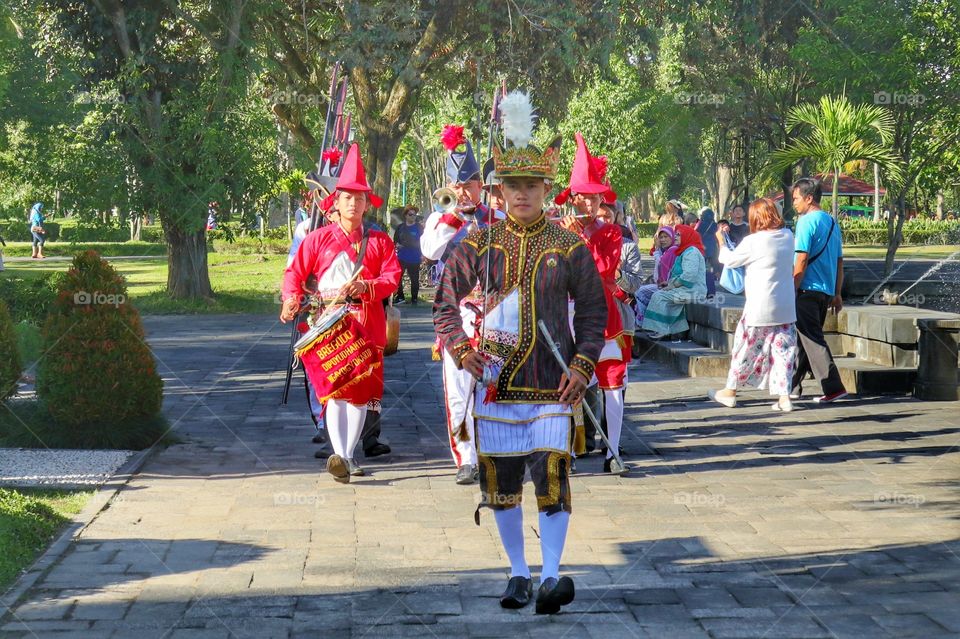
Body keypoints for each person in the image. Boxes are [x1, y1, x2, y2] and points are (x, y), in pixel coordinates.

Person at [434, 92, 606, 612]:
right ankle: (517, 572)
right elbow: (442, 304)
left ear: (547, 189)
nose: (523, 193)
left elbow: (595, 313)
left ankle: (552, 576)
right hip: (495, 384)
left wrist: (583, 365)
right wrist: (462, 351)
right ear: (499, 190)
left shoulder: (568, 245)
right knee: (502, 485)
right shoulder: (477, 245)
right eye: (514, 185)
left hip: (555, 385)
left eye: (532, 185)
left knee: (552, 476)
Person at [281, 143, 401, 483]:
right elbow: (295, 273)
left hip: (367, 323)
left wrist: (367, 288)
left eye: (359, 198)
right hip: (329, 324)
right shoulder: (316, 240)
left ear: (367, 203)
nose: (353, 203)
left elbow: (392, 277)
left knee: (361, 393)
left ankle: (347, 455)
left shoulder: (379, 243)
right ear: (336, 201)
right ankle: (343, 455)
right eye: (347, 197)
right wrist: (291, 298)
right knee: (336, 390)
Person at [421, 124, 503, 485]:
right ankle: (465, 457)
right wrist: (455, 216)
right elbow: (430, 251)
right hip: (456, 317)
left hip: (497, 315)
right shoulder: (440, 220)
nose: (464, 191)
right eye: (457, 185)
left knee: (491, 389)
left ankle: (492, 451)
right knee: (458, 392)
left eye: (469, 184)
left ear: (479, 186)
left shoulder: (497, 219)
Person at [554, 133, 628, 473]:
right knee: (562, 382)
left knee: (612, 381)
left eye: (594, 197)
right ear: (572, 198)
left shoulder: (611, 232)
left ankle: (613, 450)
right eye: (582, 196)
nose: (588, 203)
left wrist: (580, 238)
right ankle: (564, 450)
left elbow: (601, 271)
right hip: (564, 317)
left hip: (603, 317)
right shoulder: (557, 233)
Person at [709, 198, 798, 412]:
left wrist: (721, 239)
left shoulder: (754, 242)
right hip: (785, 305)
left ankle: (730, 391)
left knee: (744, 348)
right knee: (784, 352)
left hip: (759, 307)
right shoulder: (788, 237)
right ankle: (784, 397)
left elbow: (729, 260)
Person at [790, 177, 848, 403]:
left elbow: (801, 259)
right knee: (802, 339)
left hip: (807, 289)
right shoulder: (832, 222)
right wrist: (837, 292)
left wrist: (793, 287)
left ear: (809, 198)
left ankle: (833, 387)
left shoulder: (805, 222)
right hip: (825, 291)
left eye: (796, 199)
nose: (794, 203)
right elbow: (840, 261)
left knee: (811, 338)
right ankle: (791, 385)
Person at [641, 225, 707, 339]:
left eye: (678, 234)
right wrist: (669, 283)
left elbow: (689, 276)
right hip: (688, 289)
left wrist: (672, 286)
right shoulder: (685, 251)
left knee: (659, 296)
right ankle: (673, 330)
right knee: (661, 294)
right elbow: (681, 275)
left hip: (694, 290)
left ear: (687, 236)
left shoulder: (691, 252)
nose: (675, 237)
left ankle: (661, 330)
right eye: (675, 234)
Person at [635, 227, 679, 324]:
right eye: (661, 237)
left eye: (665, 237)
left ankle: (644, 322)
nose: (662, 240)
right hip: (667, 285)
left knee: (640, 292)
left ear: (672, 237)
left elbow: (659, 268)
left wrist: (657, 249)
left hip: (670, 287)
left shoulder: (672, 250)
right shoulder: (668, 250)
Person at [393, 206, 423, 305]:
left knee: (414, 279)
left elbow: (423, 241)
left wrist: (423, 254)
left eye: (414, 215)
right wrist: (397, 244)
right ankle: (400, 297)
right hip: (402, 257)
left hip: (415, 257)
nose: (413, 217)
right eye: (410, 214)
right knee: (397, 277)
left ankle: (414, 298)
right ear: (406, 216)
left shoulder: (419, 227)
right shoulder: (400, 227)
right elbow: (396, 239)